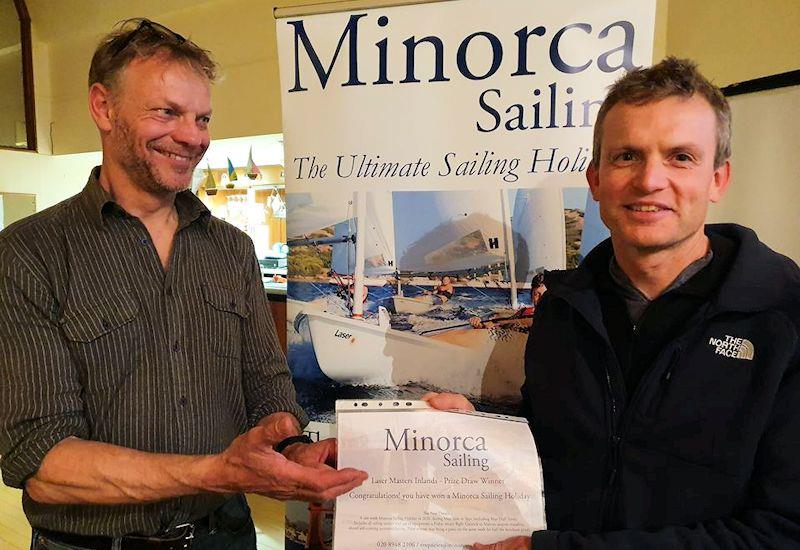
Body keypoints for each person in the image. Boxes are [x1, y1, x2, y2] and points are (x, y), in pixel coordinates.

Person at [0, 18, 366, 549]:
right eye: (167, 112)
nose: (192, 137)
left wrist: (289, 450)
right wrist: (220, 471)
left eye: (202, 118)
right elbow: (39, 458)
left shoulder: (230, 249)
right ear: (103, 107)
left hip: (227, 537)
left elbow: (267, 385)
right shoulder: (29, 253)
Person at [427, 57, 800, 549]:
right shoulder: (563, 308)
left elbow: (783, 531)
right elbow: (563, 447)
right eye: (627, 156)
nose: (649, 180)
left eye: (680, 157)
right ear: (596, 179)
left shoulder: (784, 319)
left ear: (717, 180)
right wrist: (480, 434)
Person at [469, 273, 546, 331]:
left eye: (546, 295)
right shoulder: (523, 313)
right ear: (531, 295)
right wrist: (479, 324)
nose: (541, 298)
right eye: (536, 294)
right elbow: (495, 324)